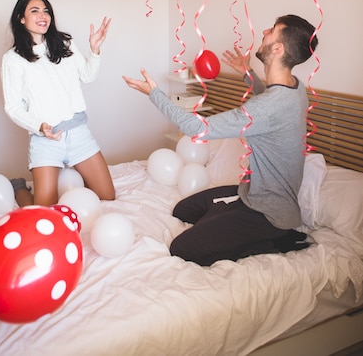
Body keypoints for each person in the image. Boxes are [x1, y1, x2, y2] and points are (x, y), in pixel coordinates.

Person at [123, 14, 318, 266]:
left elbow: (196, 128)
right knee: (183, 211)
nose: (265, 31)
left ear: (278, 48)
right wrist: (248, 73)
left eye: (272, 30)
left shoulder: (268, 106)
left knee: (183, 248)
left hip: (269, 214)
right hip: (253, 194)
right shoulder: (294, 87)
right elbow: (270, 100)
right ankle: (228, 219)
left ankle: (274, 241)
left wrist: (154, 94)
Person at [1, 0, 115, 207]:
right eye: (34, 11)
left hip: (79, 133)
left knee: (107, 196)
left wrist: (95, 49)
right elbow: (13, 107)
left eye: (46, 11)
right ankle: (18, 188)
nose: (43, 15)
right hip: (46, 139)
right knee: (43, 210)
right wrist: (39, 126)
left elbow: (87, 76)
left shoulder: (65, 43)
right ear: (21, 19)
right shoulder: (13, 60)